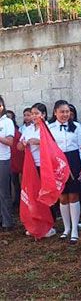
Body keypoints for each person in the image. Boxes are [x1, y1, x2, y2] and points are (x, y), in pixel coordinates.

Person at [48, 100, 81, 244]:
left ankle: (75, 230)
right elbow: (47, 148)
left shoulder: (76, 127)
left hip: (73, 161)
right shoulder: (49, 127)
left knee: (73, 196)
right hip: (58, 162)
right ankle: (66, 228)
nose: (65, 114)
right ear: (55, 112)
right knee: (63, 197)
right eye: (62, 112)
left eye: (67, 112)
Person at [18, 103, 56, 238]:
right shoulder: (27, 129)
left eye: (36, 113)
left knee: (47, 194)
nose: (34, 116)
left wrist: (39, 141)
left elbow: (54, 145)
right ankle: (38, 222)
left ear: (44, 114)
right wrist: (23, 144)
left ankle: (50, 224)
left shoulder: (50, 127)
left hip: (46, 165)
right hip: (32, 166)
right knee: (34, 194)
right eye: (32, 114)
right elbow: (19, 147)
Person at [0, 97, 15, 231]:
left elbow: (10, 142)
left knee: (4, 192)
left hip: (2, 160)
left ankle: (7, 222)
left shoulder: (7, 122)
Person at [7, 110, 23, 209]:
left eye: (10, 117)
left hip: (15, 162)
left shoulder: (17, 132)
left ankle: (17, 203)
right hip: (6, 160)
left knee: (16, 183)